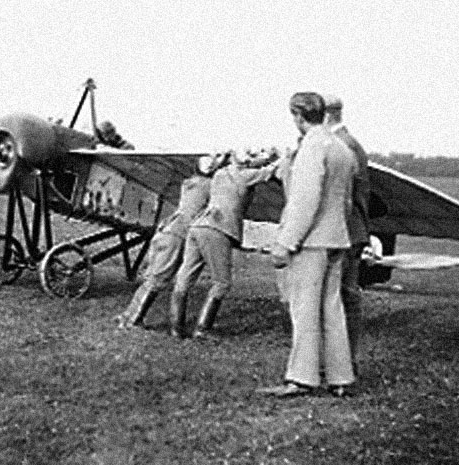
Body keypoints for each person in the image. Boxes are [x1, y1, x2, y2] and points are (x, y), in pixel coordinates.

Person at [262, 92, 357, 398]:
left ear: (299, 116)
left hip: (311, 242)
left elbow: (305, 200)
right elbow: (346, 201)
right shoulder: (341, 148)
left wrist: (287, 242)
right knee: (332, 309)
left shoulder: (312, 147)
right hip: (336, 238)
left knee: (304, 311)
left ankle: (302, 378)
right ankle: (340, 378)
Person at [169, 149, 276, 339]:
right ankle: (202, 330)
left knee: (185, 275)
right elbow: (271, 170)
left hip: (197, 226)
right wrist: (276, 157)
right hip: (217, 229)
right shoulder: (247, 175)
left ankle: (176, 328)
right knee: (222, 282)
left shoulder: (220, 173)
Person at [114, 155, 216, 330]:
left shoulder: (189, 183)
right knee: (159, 277)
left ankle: (128, 314)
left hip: (167, 229)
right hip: (178, 235)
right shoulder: (210, 186)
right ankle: (134, 319)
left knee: (152, 275)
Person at [323, 94, 370, 371]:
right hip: (348, 230)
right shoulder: (347, 143)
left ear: (327, 116)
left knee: (344, 296)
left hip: (345, 232)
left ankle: (345, 364)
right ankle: (338, 363)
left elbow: (346, 199)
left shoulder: (342, 145)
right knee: (340, 296)